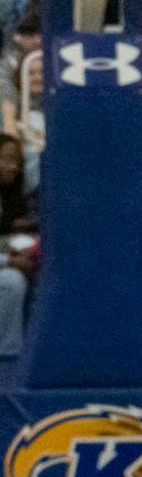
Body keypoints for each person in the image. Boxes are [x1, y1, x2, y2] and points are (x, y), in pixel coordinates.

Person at [0, 134, 36, 354]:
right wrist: (9, 261)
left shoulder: (11, 193)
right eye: (6, 159)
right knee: (12, 281)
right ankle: (7, 352)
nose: (13, 166)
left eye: (16, 161)